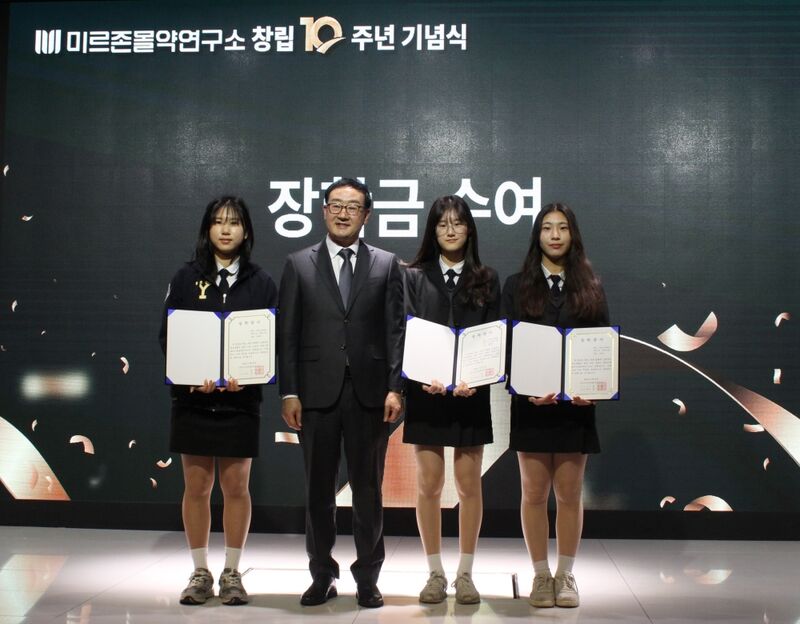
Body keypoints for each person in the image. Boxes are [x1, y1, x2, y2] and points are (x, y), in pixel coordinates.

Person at [277, 178, 404, 609]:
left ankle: (368, 577)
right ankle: (322, 574)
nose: (343, 213)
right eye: (336, 205)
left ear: (366, 215)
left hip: (371, 394)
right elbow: (287, 334)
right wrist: (289, 392)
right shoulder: (298, 264)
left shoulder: (386, 264)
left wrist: (395, 387)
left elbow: (395, 331)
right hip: (316, 394)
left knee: (368, 492)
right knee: (318, 491)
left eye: (353, 206)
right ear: (324, 211)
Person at [159, 196, 278, 606]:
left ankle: (231, 572)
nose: (226, 230)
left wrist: (249, 374)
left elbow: (270, 341)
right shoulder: (185, 277)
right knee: (196, 486)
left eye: (234, 222)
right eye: (218, 221)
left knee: (236, 486)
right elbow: (169, 336)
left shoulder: (262, 282)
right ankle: (199, 572)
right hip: (193, 401)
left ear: (246, 231)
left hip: (240, 404)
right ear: (207, 229)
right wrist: (192, 378)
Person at [501, 202, 609, 609]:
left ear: (572, 235)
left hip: (576, 409)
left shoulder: (591, 286)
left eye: (562, 228)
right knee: (532, 492)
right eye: (547, 228)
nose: (555, 235)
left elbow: (602, 345)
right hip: (531, 406)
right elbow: (505, 345)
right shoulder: (516, 285)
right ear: (538, 236)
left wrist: (594, 388)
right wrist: (523, 388)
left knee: (568, 493)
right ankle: (541, 575)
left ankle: (565, 574)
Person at [402, 196, 500, 605]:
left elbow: (494, 337)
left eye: (458, 223)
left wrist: (476, 379)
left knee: (468, 485)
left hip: (470, 395)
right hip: (425, 392)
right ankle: (435, 573)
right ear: (432, 231)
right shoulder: (413, 277)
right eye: (442, 224)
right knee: (429, 484)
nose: (450, 230)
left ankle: (465, 574)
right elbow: (405, 331)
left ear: (469, 229)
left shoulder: (486, 278)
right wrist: (422, 375)